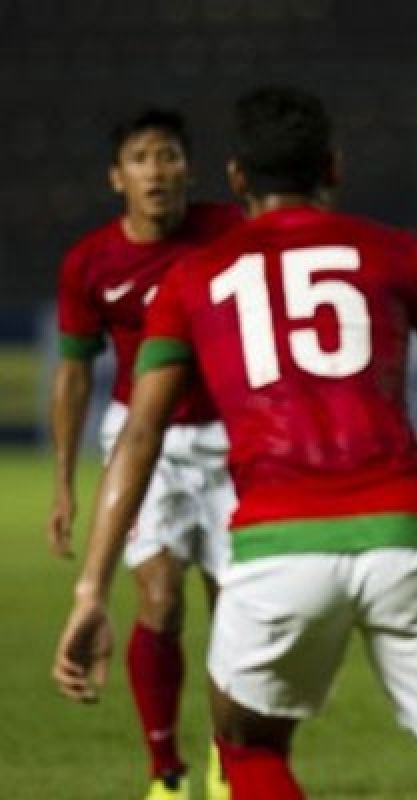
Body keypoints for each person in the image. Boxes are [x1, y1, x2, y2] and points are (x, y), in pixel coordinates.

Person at [53, 85, 417, 800]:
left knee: (246, 741)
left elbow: (138, 433)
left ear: (236, 178)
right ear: (333, 167)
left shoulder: (194, 277)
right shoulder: (401, 254)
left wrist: (90, 590)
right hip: (405, 536)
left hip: (275, 548)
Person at [49, 108, 242, 800]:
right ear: (116, 177)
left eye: (167, 156)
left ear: (189, 168)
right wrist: (67, 484)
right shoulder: (91, 262)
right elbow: (74, 375)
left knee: (238, 611)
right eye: (140, 158)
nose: (155, 171)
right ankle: (165, 772)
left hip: (233, 439)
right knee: (159, 600)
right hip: (145, 445)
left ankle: (233, 757)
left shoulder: (229, 234)